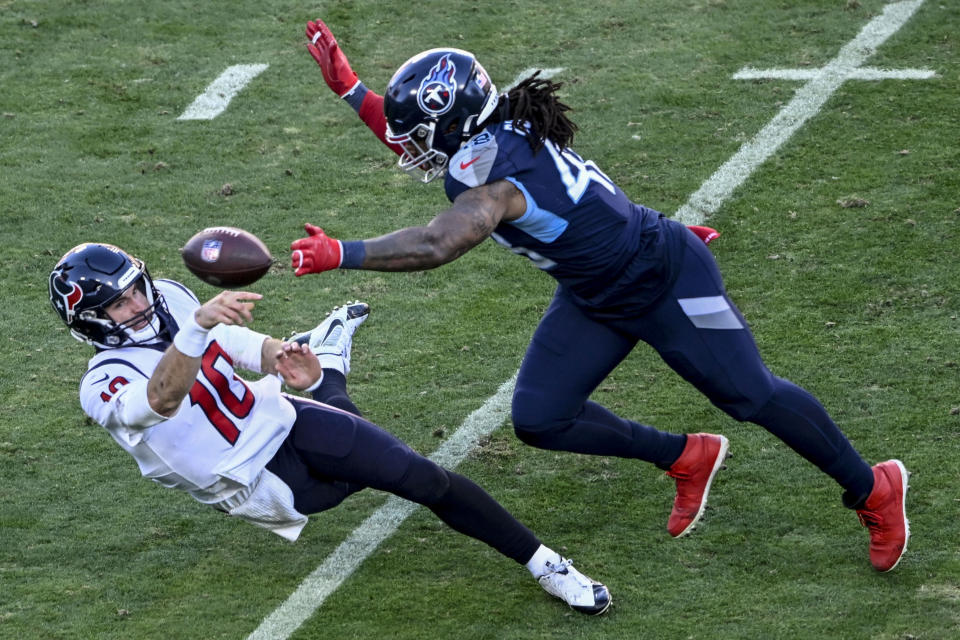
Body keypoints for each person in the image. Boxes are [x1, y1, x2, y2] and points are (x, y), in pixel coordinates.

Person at [291, 19, 910, 572]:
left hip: (663, 276)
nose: (410, 150)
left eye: (422, 135)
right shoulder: (494, 129)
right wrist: (352, 90)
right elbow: (425, 146)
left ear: (453, 125)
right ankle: (684, 456)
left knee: (751, 395)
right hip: (596, 291)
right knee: (540, 418)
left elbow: (436, 244)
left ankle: (872, 487)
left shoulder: (492, 178)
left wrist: (343, 252)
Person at [48, 242, 611, 615]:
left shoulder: (171, 296)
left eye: (137, 289)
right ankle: (332, 373)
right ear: (90, 320)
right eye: (119, 304)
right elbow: (161, 398)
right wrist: (196, 328)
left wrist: (273, 353)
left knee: (417, 475)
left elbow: (224, 341)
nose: (140, 304)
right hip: (247, 480)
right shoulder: (101, 382)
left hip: (277, 417)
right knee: (350, 480)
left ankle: (546, 564)